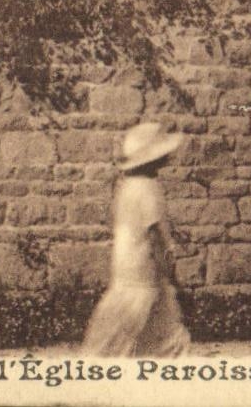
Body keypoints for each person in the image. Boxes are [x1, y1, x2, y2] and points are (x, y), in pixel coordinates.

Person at [83, 121, 191, 357]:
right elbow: (155, 237)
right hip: (146, 273)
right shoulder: (148, 188)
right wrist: (170, 274)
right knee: (165, 336)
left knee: (125, 336)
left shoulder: (127, 187)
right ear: (153, 158)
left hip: (125, 270)